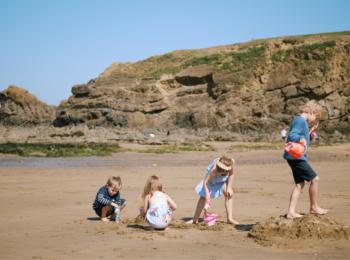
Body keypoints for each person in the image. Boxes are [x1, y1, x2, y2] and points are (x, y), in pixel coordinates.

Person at [283, 100, 328, 219]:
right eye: (316, 117)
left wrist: (308, 132)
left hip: (293, 158)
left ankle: (291, 212)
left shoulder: (300, 121)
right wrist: (300, 138)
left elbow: (298, 133)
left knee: (300, 184)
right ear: (312, 112)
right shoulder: (301, 121)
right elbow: (293, 134)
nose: (315, 120)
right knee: (315, 179)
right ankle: (313, 207)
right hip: (297, 158)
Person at [186, 156, 239, 225]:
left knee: (228, 194)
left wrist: (229, 188)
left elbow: (231, 174)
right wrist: (207, 194)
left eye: (224, 174)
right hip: (211, 180)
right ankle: (195, 218)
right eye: (221, 173)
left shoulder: (231, 164)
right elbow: (206, 182)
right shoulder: (215, 169)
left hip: (222, 181)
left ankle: (230, 218)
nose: (221, 175)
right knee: (203, 196)